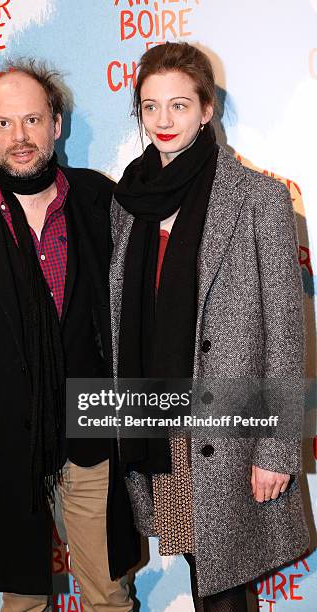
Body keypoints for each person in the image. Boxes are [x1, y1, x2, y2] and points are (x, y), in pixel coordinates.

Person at [0, 59, 139, 612]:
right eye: (4, 123)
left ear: (56, 124)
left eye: (32, 120)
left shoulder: (98, 201)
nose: (20, 138)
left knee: (109, 592)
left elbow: (133, 315)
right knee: (23, 596)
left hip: (91, 426)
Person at [110, 42, 309, 610]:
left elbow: (286, 335)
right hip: (161, 425)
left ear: (207, 108)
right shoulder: (127, 202)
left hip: (231, 428)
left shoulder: (258, 197)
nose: (163, 121)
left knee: (226, 584)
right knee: (202, 565)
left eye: (179, 105)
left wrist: (275, 448)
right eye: (150, 107)